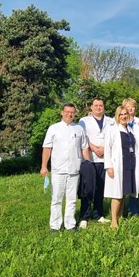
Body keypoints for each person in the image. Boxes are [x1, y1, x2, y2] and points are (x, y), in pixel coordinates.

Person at [41, 103, 91, 231]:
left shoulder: (79, 129)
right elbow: (47, 148)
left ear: (75, 114)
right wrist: (44, 166)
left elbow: (84, 147)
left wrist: (87, 163)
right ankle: (55, 226)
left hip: (74, 170)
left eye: (72, 112)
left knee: (71, 199)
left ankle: (70, 224)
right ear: (62, 112)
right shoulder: (53, 128)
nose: (69, 114)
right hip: (58, 170)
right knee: (56, 198)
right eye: (67, 111)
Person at [104, 106, 139, 228]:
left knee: (124, 192)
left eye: (125, 114)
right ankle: (114, 221)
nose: (124, 116)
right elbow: (107, 149)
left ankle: (120, 216)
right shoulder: (112, 130)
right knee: (116, 194)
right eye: (121, 114)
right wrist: (109, 166)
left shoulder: (130, 129)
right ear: (117, 116)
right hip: (117, 165)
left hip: (129, 165)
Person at [78, 98, 114, 228]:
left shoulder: (111, 121)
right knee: (87, 189)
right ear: (91, 108)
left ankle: (99, 214)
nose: (99, 108)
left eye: (101, 105)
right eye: (96, 105)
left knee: (100, 188)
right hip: (90, 159)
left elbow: (113, 137)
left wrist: (104, 148)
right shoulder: (83, 121)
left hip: (105, 159)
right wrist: (93, 148)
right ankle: (84, 216)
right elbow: (83, 138)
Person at [122, 98, 139, 216]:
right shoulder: (119, 121)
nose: (130, 109)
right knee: (123, 183)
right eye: (128, 106)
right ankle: (122, 209)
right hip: (124, 157)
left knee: (135, 183)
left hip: (137, 156)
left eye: (132, 107)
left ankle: (134, 210)